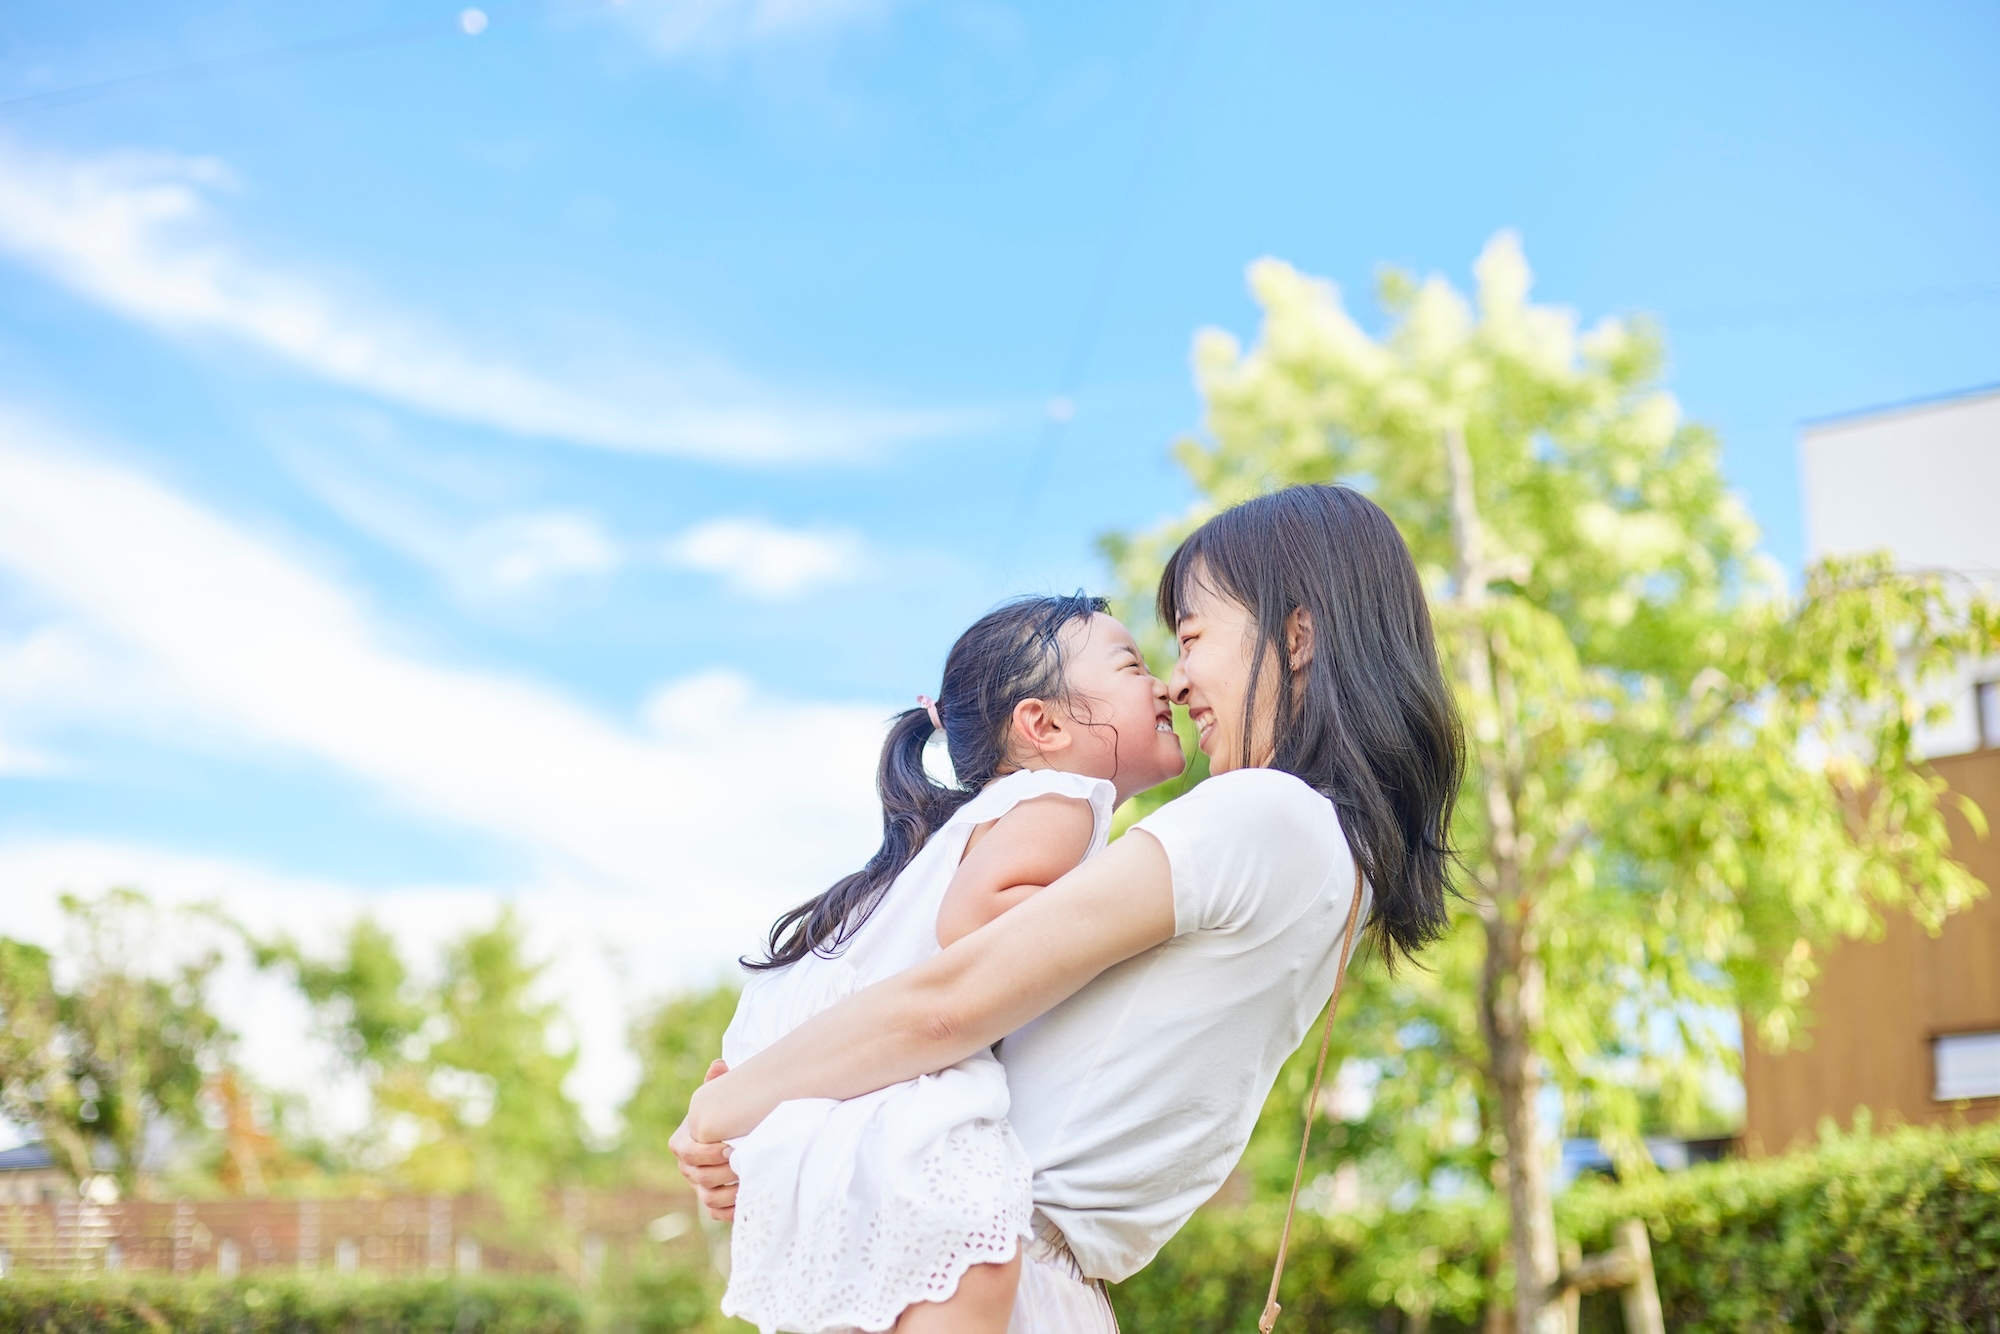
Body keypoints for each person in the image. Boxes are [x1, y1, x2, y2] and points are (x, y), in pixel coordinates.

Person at [679, 484, 1464, 1331]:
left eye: (1191, 638)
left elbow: (950, 1001)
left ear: (1297, 635)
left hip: (975, 1264)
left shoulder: (1266, 814)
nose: (1177, 681)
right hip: (1007, 1273)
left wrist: (725, 1110)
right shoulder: (1332, 855)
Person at [717, 594, 1187, 1334]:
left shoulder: (988, 815)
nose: (1165, 686)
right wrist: (1118, 935)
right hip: (884, 1077)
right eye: (1133, 666)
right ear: (1043, 725)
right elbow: (974, 919)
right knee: (976, 1237)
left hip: (816, 1078)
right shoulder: (1062, 797)